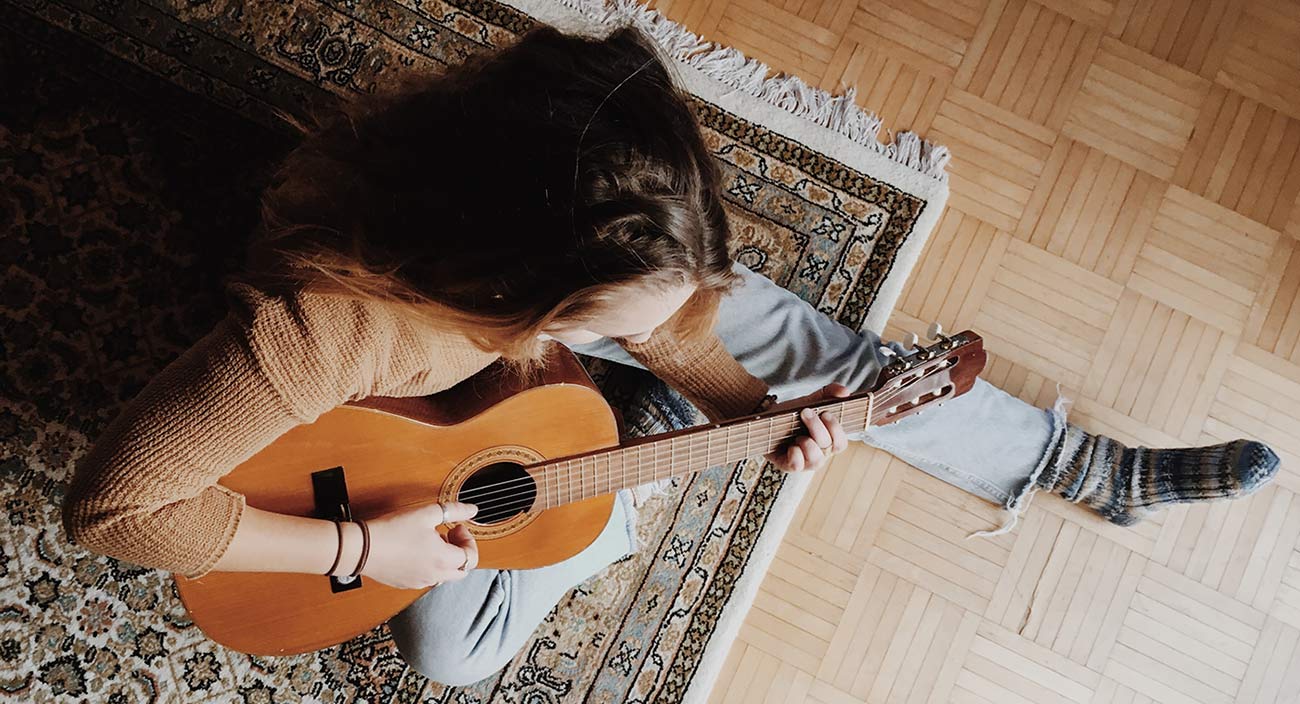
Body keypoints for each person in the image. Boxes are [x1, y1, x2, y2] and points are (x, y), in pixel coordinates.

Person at [62, 24, 1280, 687]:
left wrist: (758, 413)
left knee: (804, 354)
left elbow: (690, 336)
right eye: (622, 309)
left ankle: (1072, 464)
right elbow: (116, 507)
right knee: (454, 652)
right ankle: (601, 489)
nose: (666, 318)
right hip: (411, 418)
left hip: (528, 348)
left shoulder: (609, 218)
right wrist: (359, 545)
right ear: (510, 285)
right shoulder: (329, 330)